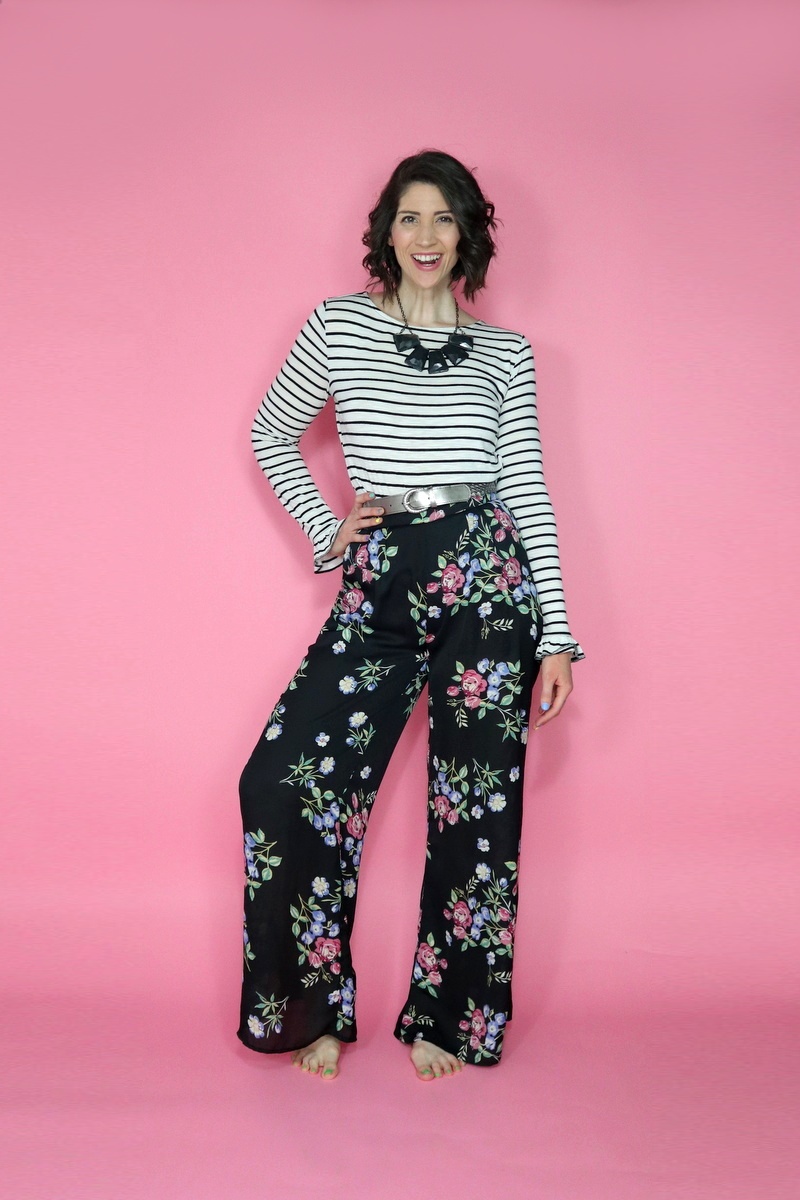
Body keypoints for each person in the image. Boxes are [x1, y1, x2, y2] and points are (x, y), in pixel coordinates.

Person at [237, 149, 585, 1082]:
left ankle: (451, 1017)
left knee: (476, 805)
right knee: (284, 782)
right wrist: (327, 527)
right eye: (409, 217)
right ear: (386, 233)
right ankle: (315, 1007)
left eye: (444, 218)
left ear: (467, 235)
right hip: (382, 575)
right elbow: (271, 433)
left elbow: (527, 491)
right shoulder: (339, 325)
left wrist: (556, 633)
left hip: (487, 581)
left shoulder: (507, 354)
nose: (426, 236)